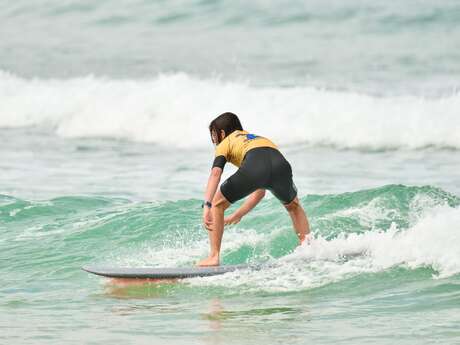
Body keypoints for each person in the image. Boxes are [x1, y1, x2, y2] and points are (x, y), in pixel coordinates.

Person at [198, 112, 311, 266]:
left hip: (256, 164)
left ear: (222, 133)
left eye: (213, 135)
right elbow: (261, 189)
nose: (213, 140)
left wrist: (207, 205)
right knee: (294, 206)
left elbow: (216, 173)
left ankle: (214, 257)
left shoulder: (226, 142)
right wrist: (237, 215)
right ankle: (308, 248)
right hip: (281, 163)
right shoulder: (256, 139)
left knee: (218, 204)